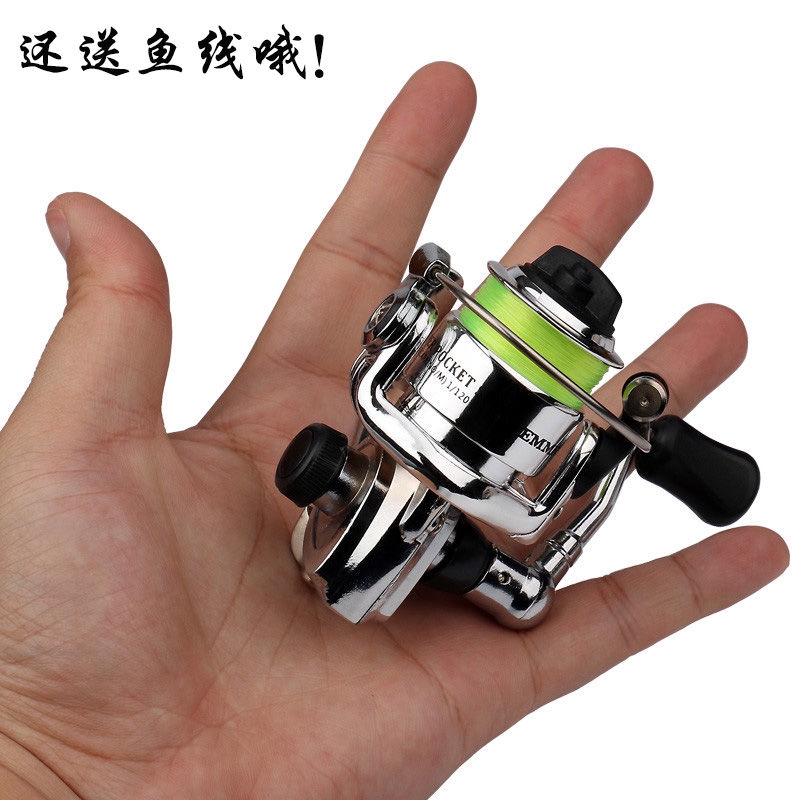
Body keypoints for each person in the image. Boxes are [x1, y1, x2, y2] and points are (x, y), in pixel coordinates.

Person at [0, 62, 788, 799]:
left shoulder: (436, 443)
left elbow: (523, 553)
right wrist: (39, 748)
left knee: (521, 598)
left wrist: (42, 759)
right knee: (521, 599)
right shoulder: (421, 448)